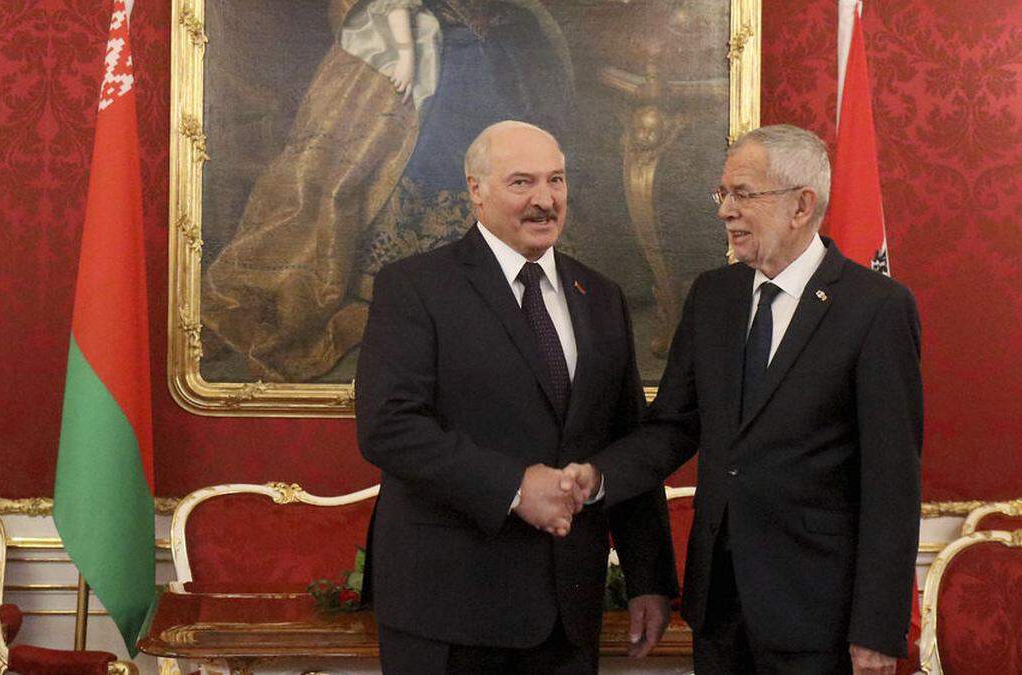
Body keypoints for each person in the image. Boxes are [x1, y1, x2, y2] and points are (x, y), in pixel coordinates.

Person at [565, 124, 923, 675]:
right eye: (723, 194)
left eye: (743, 195)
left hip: (820, 613)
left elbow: (891, 482)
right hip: (721, 606)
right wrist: (600, 474)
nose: (725, 211)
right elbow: (673, 427)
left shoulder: (875, 309)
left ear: (802, 205)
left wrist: (876, 627)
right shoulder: (714, 297)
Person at [355, 120, 678, 674]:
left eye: (556, 181)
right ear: (475, 190)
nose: (545, 200)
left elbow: (626, 439)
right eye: (522, 183)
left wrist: (648, 580)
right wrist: (512, 488)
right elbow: (388, 426)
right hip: (446, 610)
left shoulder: (600, 296)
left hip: (567, 610)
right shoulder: (414, 287)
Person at [201, 0, 572, 382]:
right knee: (426, 132)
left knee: (508, 111)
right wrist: (408, 57)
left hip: (494, 38)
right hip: (418, 40)